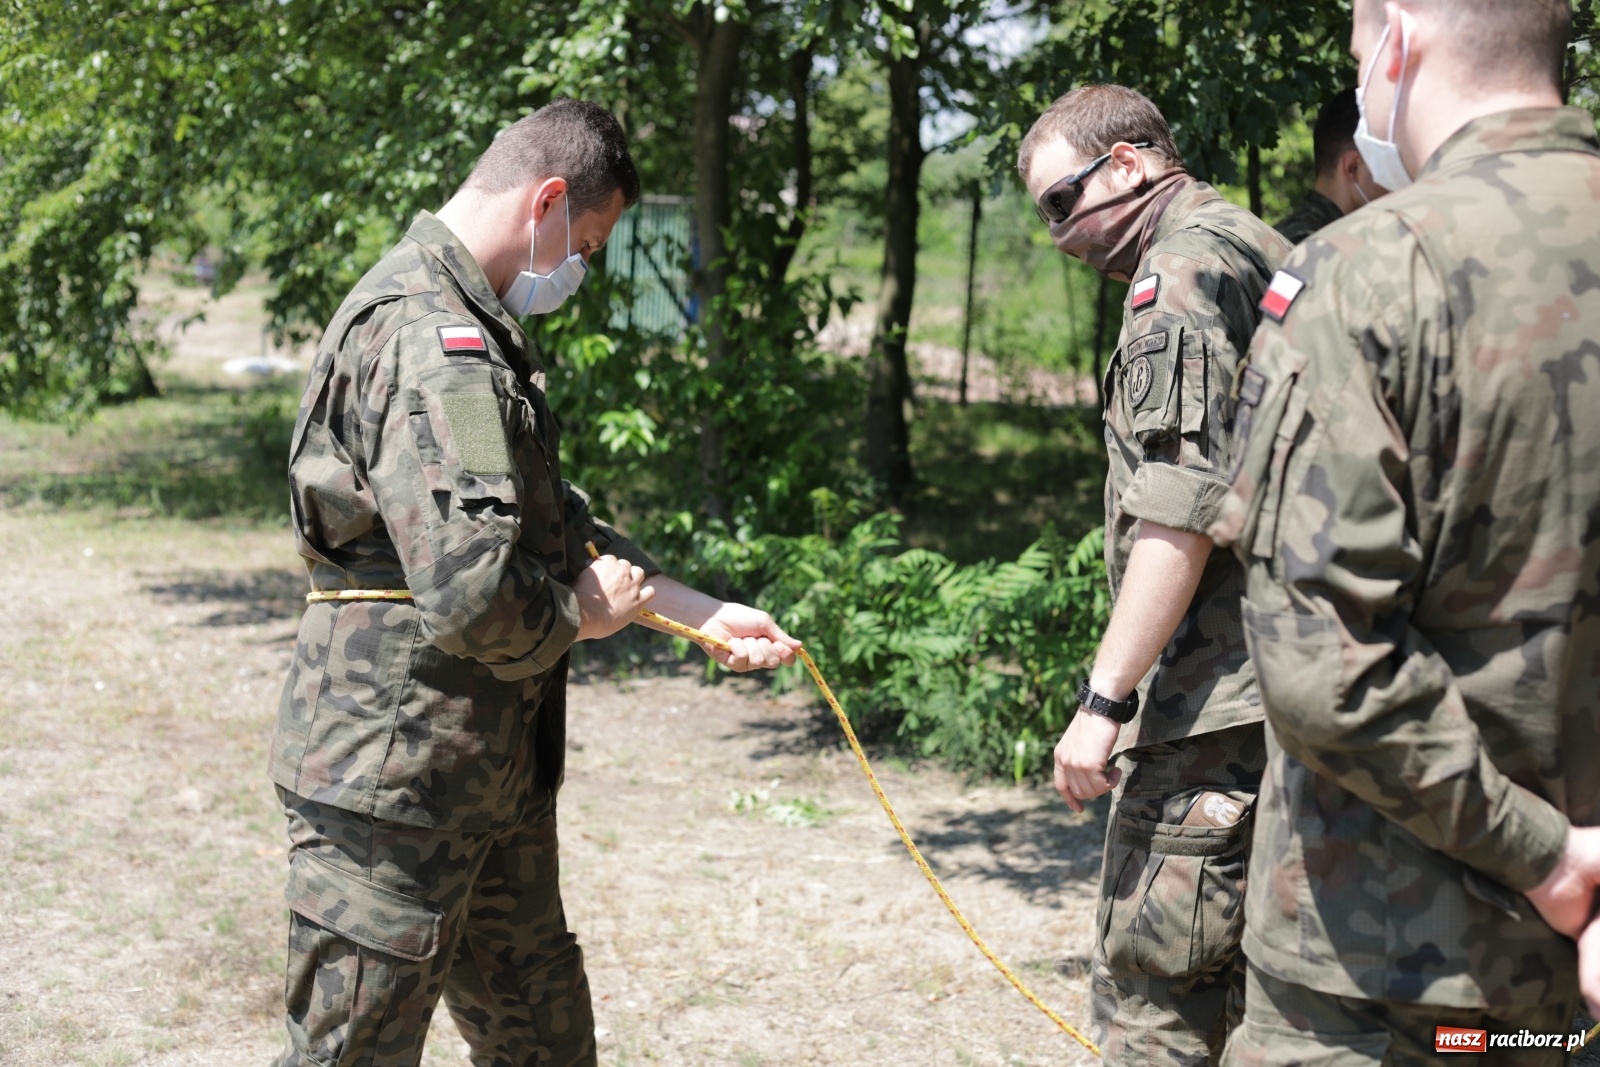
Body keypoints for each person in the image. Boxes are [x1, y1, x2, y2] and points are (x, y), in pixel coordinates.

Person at [268, 99, 800, 1067]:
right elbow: (474, 588)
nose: (579, 273)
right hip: (396, 786)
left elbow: (549, 526)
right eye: (585, 243)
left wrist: (701, 612)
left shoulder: (467, 330)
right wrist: (578, 616)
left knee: (544, 1041)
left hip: (484, 784)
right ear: (546, 201)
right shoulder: (437, 344)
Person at [1210, 2, 1600, 1063]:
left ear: (1398, 44)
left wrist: (1547, 858)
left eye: (1354, 52)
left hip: (1385, 969)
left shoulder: (1369, 271)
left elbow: (1322, 666)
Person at [1017, 85, 1292, 1065]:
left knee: (1156, 993)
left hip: (1213, 701)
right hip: (1292, 686)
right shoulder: (1261, 247)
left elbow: (1177, 509)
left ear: (1130, 163)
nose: (1059, 236)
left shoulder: (1177, 273)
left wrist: (1104, 696)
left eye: (1062, 202)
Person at [1272, 88, 1387, 245]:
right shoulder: (1309, 244)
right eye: (1389, 164)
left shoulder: (1301, 237)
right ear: (1353, 168)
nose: (1397, 179)